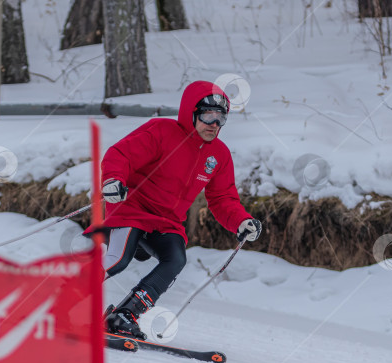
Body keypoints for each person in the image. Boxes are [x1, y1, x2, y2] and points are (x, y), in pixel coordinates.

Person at [85, 80, 262, 339]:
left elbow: (223, 198)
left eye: (220, 118)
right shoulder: (163, 131)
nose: (214, 124)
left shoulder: (219, 156)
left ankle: (124, 315)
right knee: (119, 259)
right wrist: (113, 180)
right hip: (132, 209)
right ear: (191, 113)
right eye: (207, 116)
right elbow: (120, 155)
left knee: (176, 259)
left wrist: (241, 222)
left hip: (167, 222)